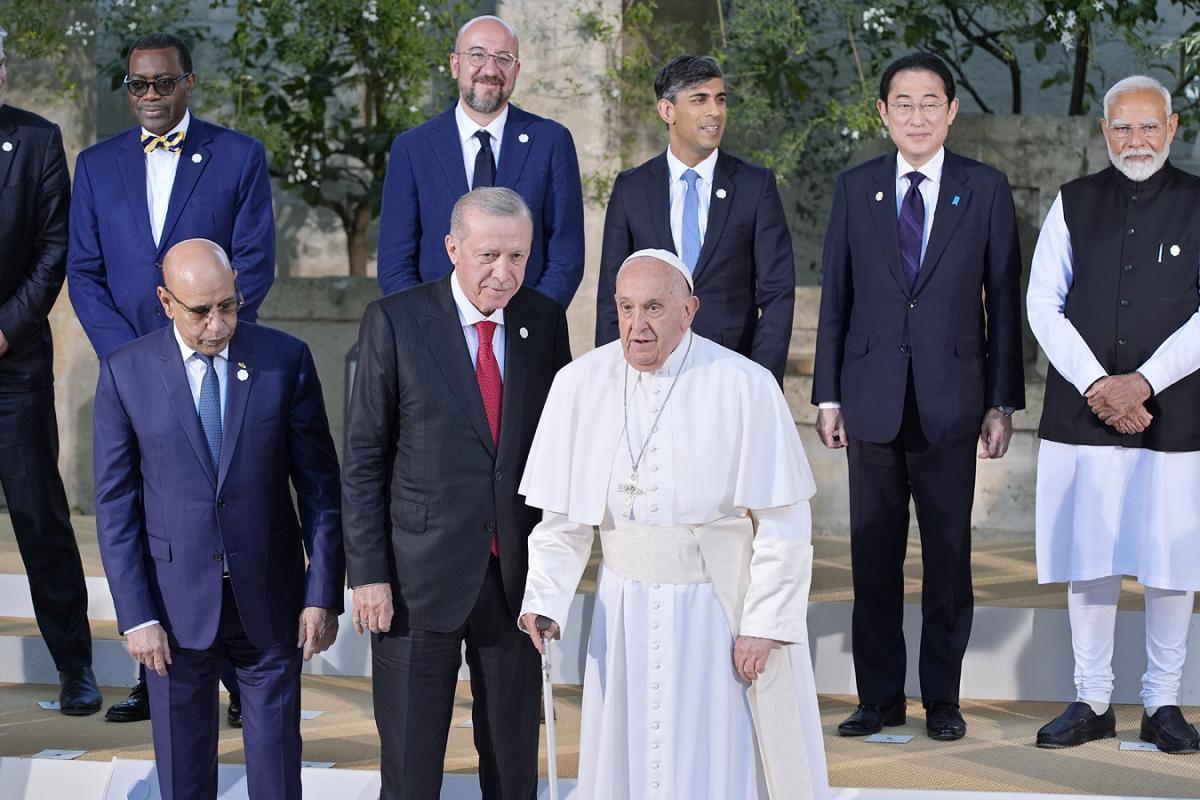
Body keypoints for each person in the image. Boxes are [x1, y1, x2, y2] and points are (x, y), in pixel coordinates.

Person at [519, 249, 828, 799]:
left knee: (713, 751)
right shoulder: (579, 384)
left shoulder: (743, 384)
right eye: (626, 308)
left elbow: (785, 523)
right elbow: (561, 518)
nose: (637, 326)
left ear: (689, 311)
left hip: (715, 611)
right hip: (623, 611)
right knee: (630, 750)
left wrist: (761, 624)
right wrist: (544, 598)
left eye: (655, 308)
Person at [811, 52, 1025, 741]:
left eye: (930, 102)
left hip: (952, 402)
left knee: (948, 560)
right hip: (870, 399)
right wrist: (827, 396)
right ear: (883, 113)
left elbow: (1004, 301)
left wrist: (1002, 402)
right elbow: (836, 299)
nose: (917, 116)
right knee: (872, 557)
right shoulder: (855, 189)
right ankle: (878, 699)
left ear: (953, 111)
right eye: (902, 103)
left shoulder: (984, 190)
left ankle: (943, 700)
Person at [68, 31, 273, 723]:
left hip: (216, 366)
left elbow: (254, 261)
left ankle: (245, 679)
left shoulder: (239, 156)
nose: (149, 96)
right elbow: (84, 273)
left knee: (222, 511)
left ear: (188, 82)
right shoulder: (95, 167)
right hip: (133, 376)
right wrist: (131, 361)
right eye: (137, 86)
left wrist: (204, 339)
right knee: (146, 515)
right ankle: (151, 674)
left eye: (162, 83)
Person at [93, 239, 344, 799]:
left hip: (272, 604)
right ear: (165, 301)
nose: (218, 324)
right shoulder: (125, 373)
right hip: (173, 612)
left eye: (228, 305)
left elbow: (321, 489)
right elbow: (115, 508)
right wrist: (136, 616)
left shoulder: (286, 360)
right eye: (200, 310)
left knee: (278, 778)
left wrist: (321, 592)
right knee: (184, 779)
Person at [344, 187, 572, 798]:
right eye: (488, 255)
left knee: (512, 765)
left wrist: (549, 580)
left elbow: (556, 460)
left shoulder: (544, 322)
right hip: (417, 585)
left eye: (519, 257)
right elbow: (364, 460)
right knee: (413, 769)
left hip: (513, 585)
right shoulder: (394, 320)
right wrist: (368, 575)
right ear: (452, 248)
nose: (504, 273)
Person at [1028, 75, 1200, 754]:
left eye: (1148, 126)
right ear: (1104, 131)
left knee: (1171, 561)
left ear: (1173, 127)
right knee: (1090, 556)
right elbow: (1043, 303)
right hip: (1086, 412)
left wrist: (1145, 383)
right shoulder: (1073, 203)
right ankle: (1092, 698)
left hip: (1177, 411)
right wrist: (1104, 384)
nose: (1137, 140)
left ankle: (1163, 701)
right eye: (1123, 128)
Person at [0, 26, 101, 716]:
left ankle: (75, 668)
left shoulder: (37, 140)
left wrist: (7, 329)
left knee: (40, 521)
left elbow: (53, 247)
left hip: (15, 372)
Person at [595, 55, 794, 386]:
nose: (714, 111)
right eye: (699, 100)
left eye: (720, 99)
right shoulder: (631, 188)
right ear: (667, 111)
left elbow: (778, 294)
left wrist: (761, 379)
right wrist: (615, 381)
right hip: (649, 373)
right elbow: (610, 296)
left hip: (731, 370)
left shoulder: (754, 185)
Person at [376, 15, 584, 308]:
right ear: (454, 64)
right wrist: (427, 326)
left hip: (524, 335)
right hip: (435, 334)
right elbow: (395, 261)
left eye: (504, 58)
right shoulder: (412, 148)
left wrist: (533, 323)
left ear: (517, 69)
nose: (490, 69)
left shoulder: (551, 142)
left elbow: (566, 255)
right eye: (477, 55)